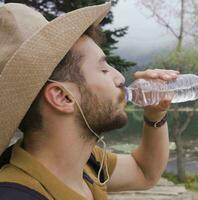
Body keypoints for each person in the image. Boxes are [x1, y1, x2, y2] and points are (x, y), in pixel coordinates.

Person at [0, 2, 177, 200]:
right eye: (103, 70)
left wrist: (155, 114)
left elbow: (144, 172)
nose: (119, 77)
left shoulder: (87, 162)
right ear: (62, 97)